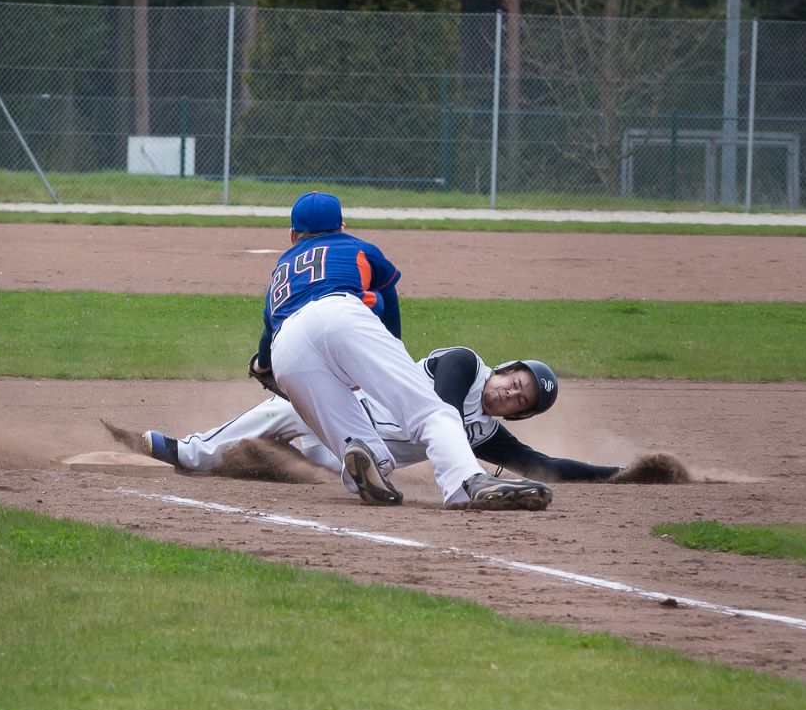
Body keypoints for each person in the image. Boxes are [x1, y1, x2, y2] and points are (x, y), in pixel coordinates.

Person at [214, 191, 551, 509]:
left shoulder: (280, 273)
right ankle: (466, 482)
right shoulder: (357, 247)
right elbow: (388, 296)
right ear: (341, 226)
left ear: (292, 235)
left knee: (354, 436)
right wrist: (392, 345)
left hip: (287, 346)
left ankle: (371, 465)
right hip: (342, 316)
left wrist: (261, 367)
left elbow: (268, 337)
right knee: (433, 412)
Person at [140, 347, 625, 484]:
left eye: (522, 402)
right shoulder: (465, 365)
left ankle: (276, 461)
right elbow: (444, 414)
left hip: (364, 461)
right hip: (342, 414)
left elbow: (547, 467)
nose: (510, 395)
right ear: (504, 369)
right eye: (514, 383)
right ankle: (190, 452)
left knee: (321, 470)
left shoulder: (484, 433)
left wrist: (620, 475)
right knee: (285, 407)